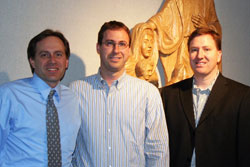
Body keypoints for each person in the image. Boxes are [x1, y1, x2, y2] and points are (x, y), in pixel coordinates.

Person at [70, 20, 169, 167]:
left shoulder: (148, 93)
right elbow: (67, 146)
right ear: (98, 47)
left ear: (129, 49)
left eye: (122, 44)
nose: (116, 50)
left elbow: (158, 151)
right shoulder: (76, 91)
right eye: (109, 43)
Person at [160, 28, 250, 167]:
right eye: (194, 50)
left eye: (206, 49)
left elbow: (245, 150)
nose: (200, 55)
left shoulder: (242, 96)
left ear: (219, 55)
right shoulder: (168, 95)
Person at [0, 29, 81, 167]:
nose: (52, 61)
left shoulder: (72, 98)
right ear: (32, 61)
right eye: (44, 55)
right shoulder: (9, 95)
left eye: (58, 54)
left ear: (66, 62)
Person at [131, 0, 222, 86]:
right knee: (181, 78)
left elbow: (216, 26)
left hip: (201, 44)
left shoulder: (207, 1)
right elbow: (164, 16)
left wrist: (206, 27)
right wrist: (150, 25)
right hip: (183, 48)